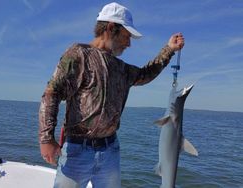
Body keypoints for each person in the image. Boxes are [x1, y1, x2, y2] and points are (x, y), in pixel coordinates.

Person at [39, 2, 184, 188]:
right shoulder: (79, 54)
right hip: (77, 150)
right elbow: (52, 94)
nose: (129, 43)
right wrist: (46, 139)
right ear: (110, 28)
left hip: (110, 151)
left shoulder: (121, 68)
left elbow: (146, 73)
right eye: (126, 36)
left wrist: (169, 49)